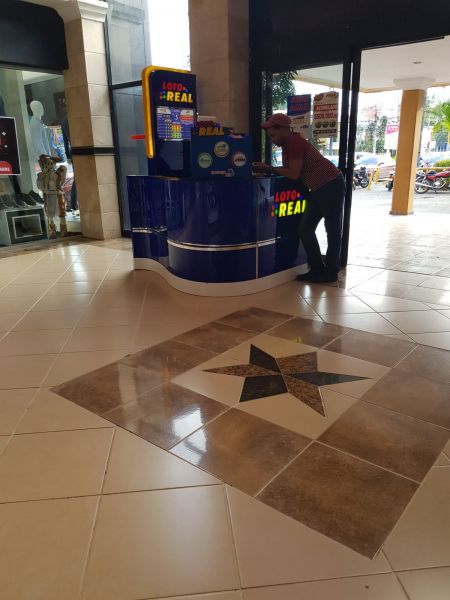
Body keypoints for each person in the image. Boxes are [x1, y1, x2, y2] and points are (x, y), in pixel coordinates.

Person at [253, 113, 345, 283]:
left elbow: (294, 173)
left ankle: (331, 271)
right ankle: (317, 269)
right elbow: (291, 170)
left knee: (332, 229)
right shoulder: (287, 145)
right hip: (317, 188)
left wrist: (269, 168)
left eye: (273, 135)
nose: (272, 140)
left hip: (331, 184)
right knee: (305, 229)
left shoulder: (294, 143)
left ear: (283, 130)